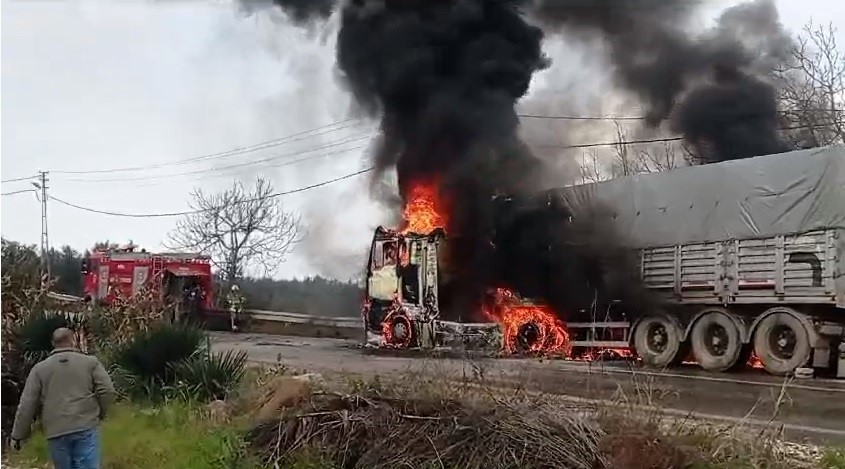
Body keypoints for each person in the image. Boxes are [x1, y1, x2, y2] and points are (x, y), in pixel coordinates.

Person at [11, 328, 115, 469]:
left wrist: (18, 435)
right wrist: (101, 413)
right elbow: (107, 390)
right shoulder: (90, 363)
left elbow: (27, 404)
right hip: (85, 425)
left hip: (56, 430)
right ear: (73, 340)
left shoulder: (40, 369)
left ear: (53, 343)